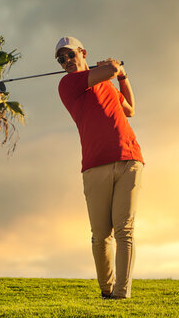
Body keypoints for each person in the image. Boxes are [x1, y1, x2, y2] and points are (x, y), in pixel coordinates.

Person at [56, 36, 144, 299]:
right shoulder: (68, 84)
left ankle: (121, 293)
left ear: (82, 52)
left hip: (129, 158)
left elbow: (130, 110)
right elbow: (110, 70)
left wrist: (123, 77)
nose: (66, 62)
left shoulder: (106, 83)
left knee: (124, 229)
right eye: (61, 59)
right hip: (95, 166)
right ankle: (106, 289)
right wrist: (113, 67)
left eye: (70, 55)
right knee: (100, 234)